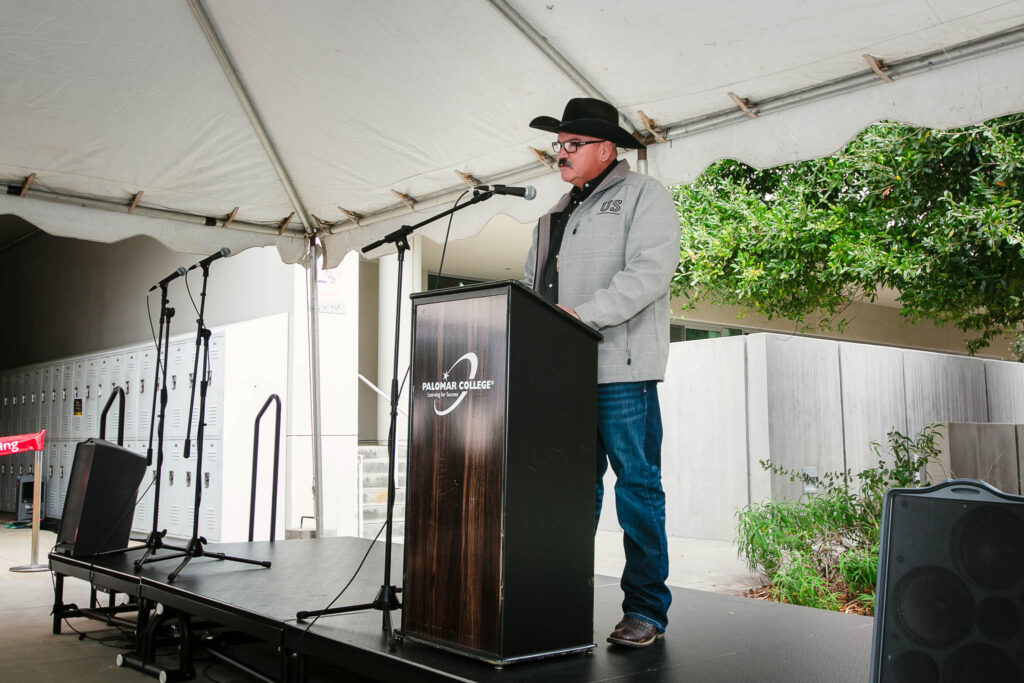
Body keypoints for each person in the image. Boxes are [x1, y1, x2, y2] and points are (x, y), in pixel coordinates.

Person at [523, 98, 681, 647]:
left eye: (572, 146)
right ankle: (562, 598)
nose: (560, 155)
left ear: (606, 149)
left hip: (621, 369)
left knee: (637, 491)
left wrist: (580, 317)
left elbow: (650, 273)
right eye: (558, 146)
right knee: (568, 493)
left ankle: (645, 612)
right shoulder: (552, 215)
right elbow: (531, 290)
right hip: (562, 377)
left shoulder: (645, 197)